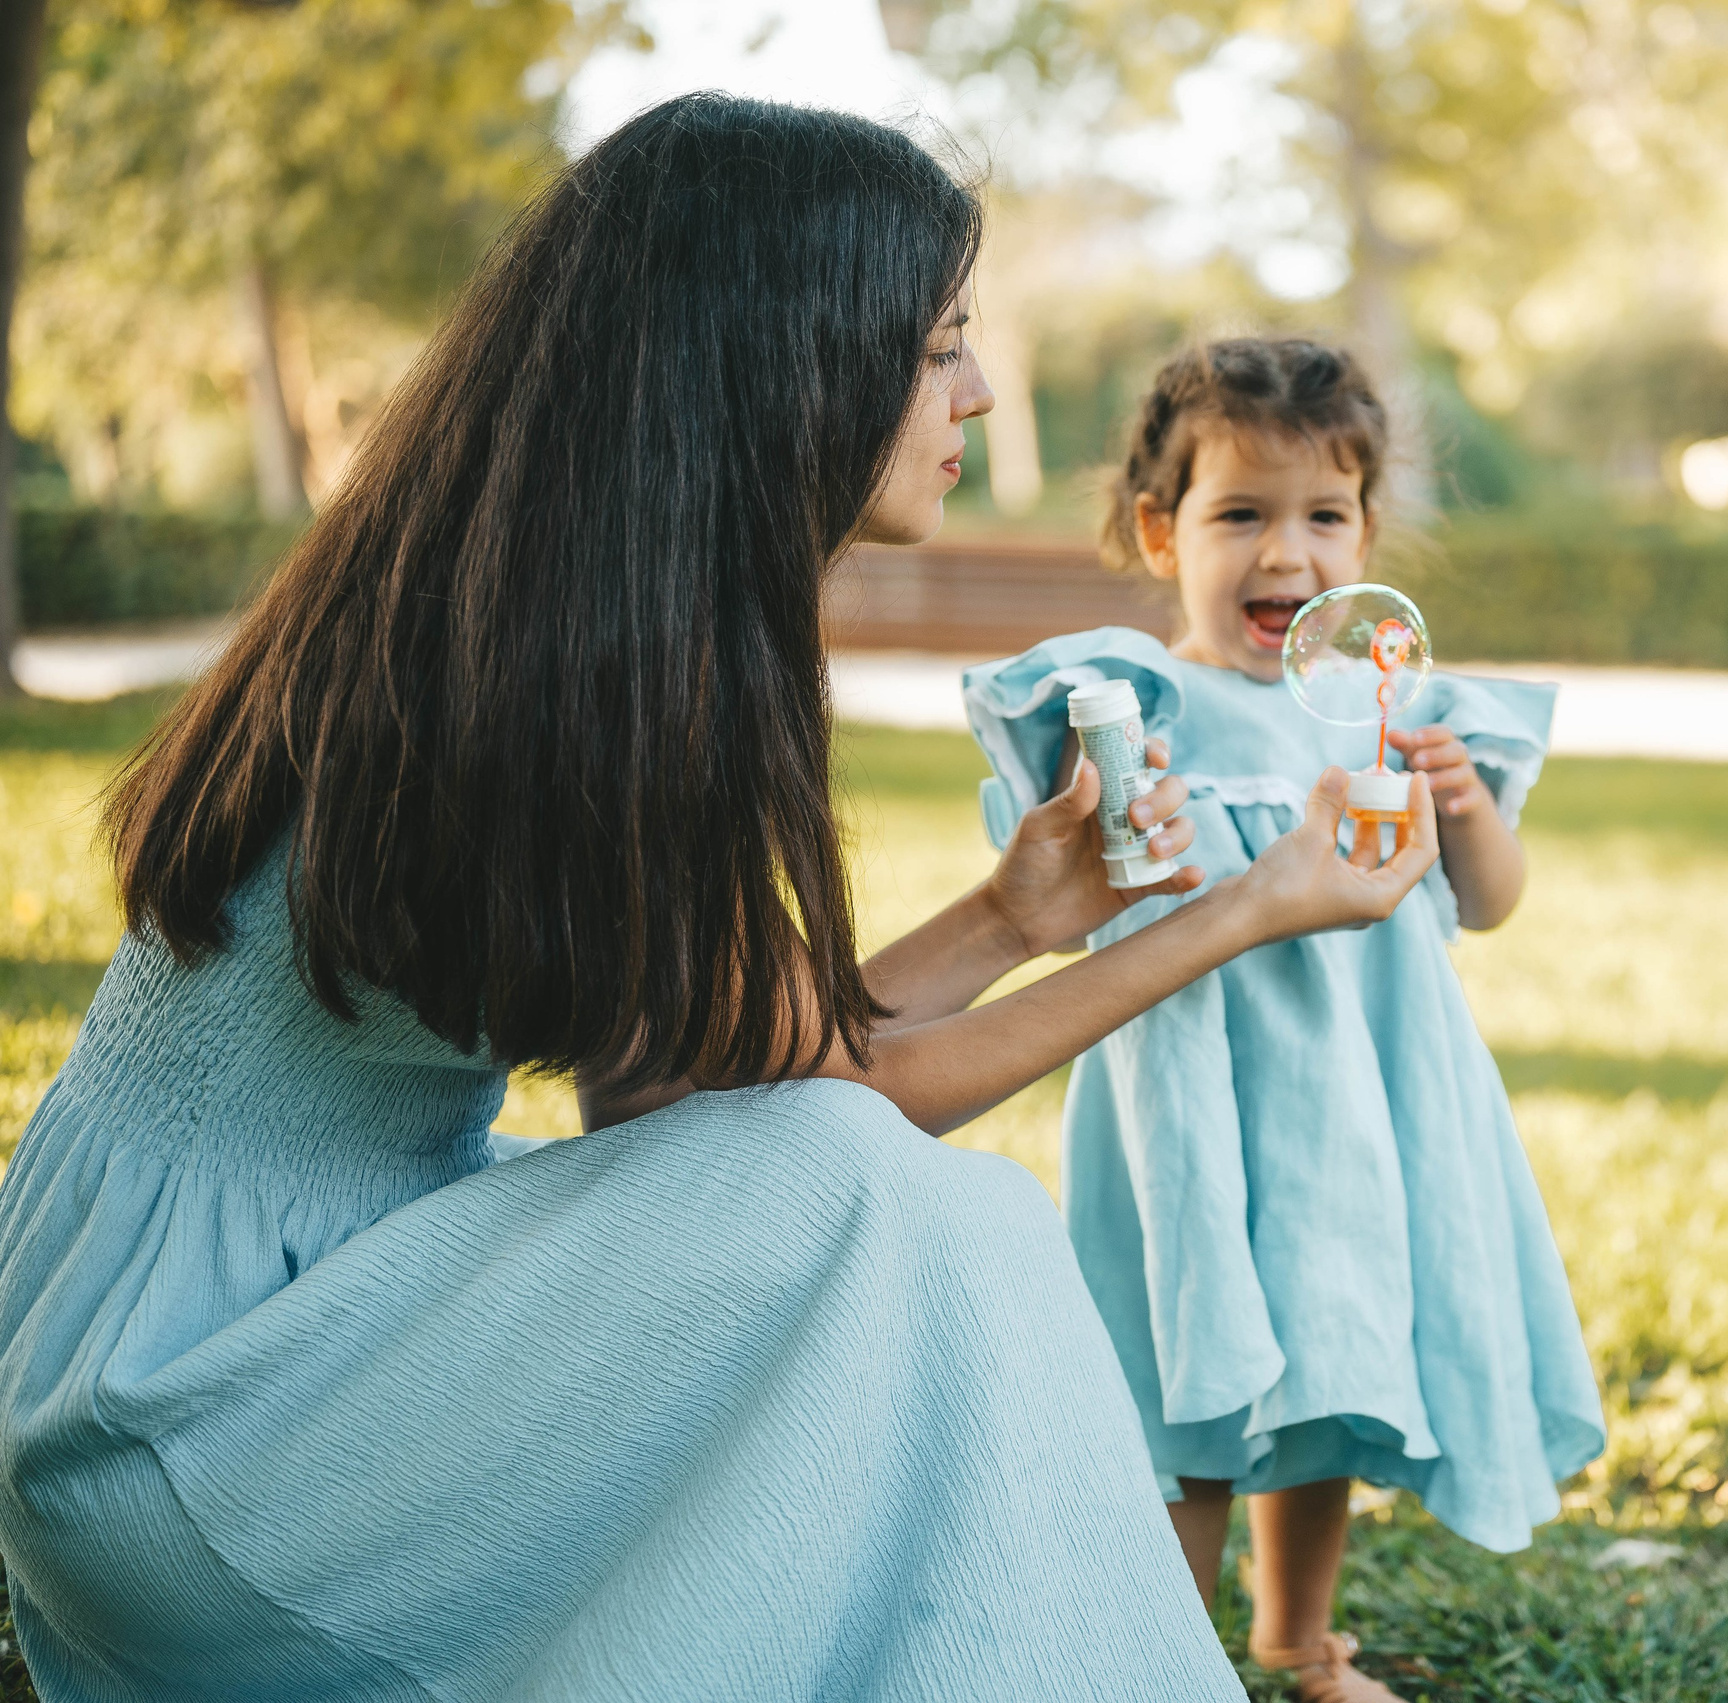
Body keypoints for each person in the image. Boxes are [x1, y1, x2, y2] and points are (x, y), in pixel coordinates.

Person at [0, 101, 1442, 1702]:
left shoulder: (540, 582)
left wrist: (1012, 917)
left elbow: (695, 1096)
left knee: (852, 1179)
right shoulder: (573, 678)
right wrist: (1243, 909)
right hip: (190, 1436)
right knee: (929, 1213)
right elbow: (846, 1101)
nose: (972, 388)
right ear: (791, 356)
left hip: (179, 1351)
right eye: (940, 342)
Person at [962, 339, 1606, 1703]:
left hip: (1363, 1101)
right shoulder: (1137, 709)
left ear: (1367, 532)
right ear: (1160, 529)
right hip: (1189, 1099)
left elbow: (1483, 905)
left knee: (1330, 1356)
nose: (1286, 556)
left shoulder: (1395, 718)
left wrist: (1469, 813)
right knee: (1187, 1374)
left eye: (1324, 516)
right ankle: (1151, 1648)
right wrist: (1121, 814)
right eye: (1239, 514)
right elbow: (1071, 906)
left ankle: (1300, 1638)